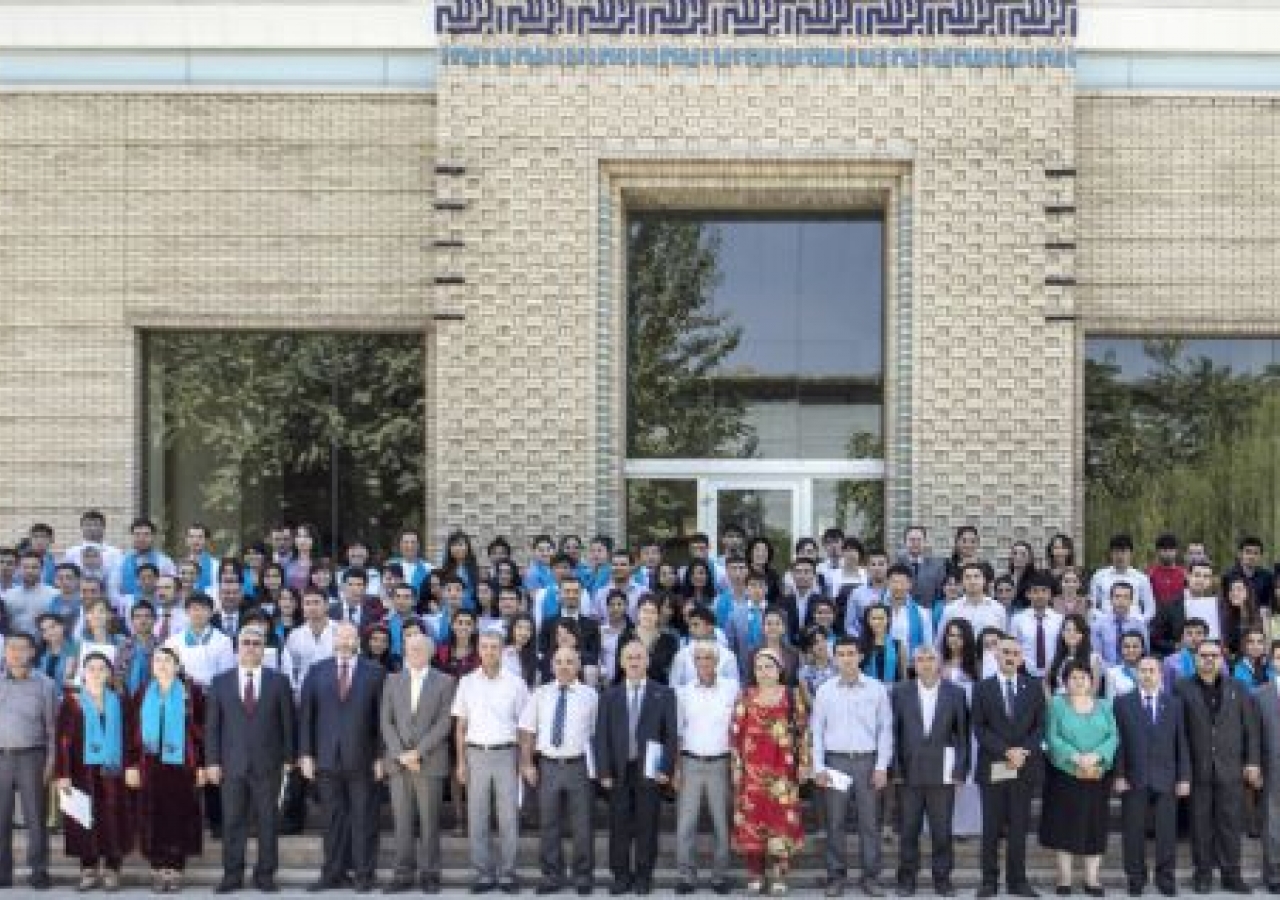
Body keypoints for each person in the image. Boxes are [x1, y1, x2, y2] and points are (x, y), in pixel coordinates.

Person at [205, 625, 297, 894]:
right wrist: (212, 761)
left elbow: (288, 724)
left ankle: (265, 875)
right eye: (245, 642)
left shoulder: (278, 681)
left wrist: (289, 758)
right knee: (233, 822)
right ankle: (232, 875)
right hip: (231, 765)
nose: (250, 647)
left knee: (268, 821)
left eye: (256, 643)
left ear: (264, 649)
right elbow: (213, 727)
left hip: (269, 764)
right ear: (237, 647)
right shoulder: (220, 681)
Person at [298, 622, 386, 893]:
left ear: (357, 640)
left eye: (350, 636)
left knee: (363, 819)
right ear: (333, 639)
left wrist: (381, 756)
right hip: (325, 759)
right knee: (332, 819)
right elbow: (306, 717)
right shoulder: (317, 671)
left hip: (363, 758)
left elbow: (382, 720)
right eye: (341, 636)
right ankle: (332, 872)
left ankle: (363, 874)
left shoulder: (375, 672)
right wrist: (305, 754)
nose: (345, 641)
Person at [1175, 637, 1261, 894]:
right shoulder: (1182, 688)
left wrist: (1253, 762)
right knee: (1201, 827)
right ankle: (1202, 875)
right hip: (1197, 769)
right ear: (1196, 659)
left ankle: (1231, 875)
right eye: (1204, 655)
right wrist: (1183, 770)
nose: (1209, 659)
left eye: (1214, 655)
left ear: (1221, 659)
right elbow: (1179, 733)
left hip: (1231, 769)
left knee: (1231, 825)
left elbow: (1251, 729)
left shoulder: (1239, 687)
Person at [594, 640, 678, 896]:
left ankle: (643, 876)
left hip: (649, 770)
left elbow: (671, 736)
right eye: (629, 657)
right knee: (618, 825)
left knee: (646, 825)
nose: (633, 662)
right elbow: (601, 736)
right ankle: (620, 876)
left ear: (647, 661)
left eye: (639, 657)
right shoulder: (609, 695)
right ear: (621, 662)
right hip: (618, 771)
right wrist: (604, 771)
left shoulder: (664, 694)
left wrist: (666, 768)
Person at [812, 636, 893, 898]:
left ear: (860, 657)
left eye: (851, 653)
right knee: (835, 822)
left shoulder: (876, 689)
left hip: (867, 761)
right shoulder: (825, 690)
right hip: (836, 762)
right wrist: (818, 766)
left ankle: (871, 877)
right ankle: (836, 876)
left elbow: (885, 731)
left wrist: (881, 766)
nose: (847, 658)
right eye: (842, 653)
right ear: (835, 658)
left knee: (869, 822)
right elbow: (817, 732)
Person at [452, 628, 530, 894]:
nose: (488, 652)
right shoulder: (466, 682)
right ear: (478, 650)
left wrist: (524, 760)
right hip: (475, 754)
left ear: (502, 650)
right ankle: (484, 873)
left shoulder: (516, 683)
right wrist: (461, 762)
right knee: (478, 816)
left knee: (508, 817)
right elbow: (460, 726)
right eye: (484, 646)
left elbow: (525, 727)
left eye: (494, 647)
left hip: (507, 753)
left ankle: (508, 873)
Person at [518, 646, 599, 896]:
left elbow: (597, 735)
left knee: (582, 824)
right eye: (559, 662)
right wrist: (527, 763)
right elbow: (527, 731)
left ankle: (583, 875)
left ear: (577, 666)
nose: (564, 666)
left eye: (569, 662)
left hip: (578, 767)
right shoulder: (540, 694)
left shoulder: (591, 695)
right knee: (549, 824)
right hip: (548, 766)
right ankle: (552, 875)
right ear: (552, 666)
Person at [729, 647, 810, 896]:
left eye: (769, 666)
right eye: (759, 667)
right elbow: (734, 733)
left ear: (780, 669)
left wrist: (805, 763)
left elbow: (803, 733)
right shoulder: (745, 696)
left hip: (782, 771)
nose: (764, 672)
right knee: (753, 822)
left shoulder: (792, 696)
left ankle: (778, 876)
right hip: (752, 771)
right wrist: (736, 767)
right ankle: (755, 874)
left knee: (780, 823)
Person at [124, 646, 206, 892]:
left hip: (183, 764)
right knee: (153, 816)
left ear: (177, 666)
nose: (161, 665)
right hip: (149, 764)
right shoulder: (141, 693)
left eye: (167, 660)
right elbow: (131, 732)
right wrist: (130, 764)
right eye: (157, 660)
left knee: (179, 816)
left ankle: (176, 868)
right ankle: (158, 868)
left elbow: (203, 732)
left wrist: (202, 764)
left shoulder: (192, 693)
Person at [380, 634, 456, 894]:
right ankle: (402, 874)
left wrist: (418, 753)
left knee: (429, 822)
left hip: (429, 762)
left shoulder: (445, 682)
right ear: (405, 651)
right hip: (398, 763)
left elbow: (445, 723)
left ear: (431, 653)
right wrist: (401, 753)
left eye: (420, 649)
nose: (415, 652)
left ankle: (430, 874)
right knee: (401, 822)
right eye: (411, 648)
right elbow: (386, 722)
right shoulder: (391, 681)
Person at [891, 645, 968, 897]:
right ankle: (906, 879)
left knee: (942, 830)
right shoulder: (900, 692)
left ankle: (942, 880)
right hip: (909, 771)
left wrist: (959, 769)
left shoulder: (955, 693)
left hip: (942, 772)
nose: (925, 663)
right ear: (914, 664)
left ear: (939, 663)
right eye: (920, 659)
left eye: (930, 658)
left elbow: (963, 736)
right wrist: (896, 769)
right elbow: (894, 733)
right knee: (908, 829)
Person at [971, 636, 1045, 898]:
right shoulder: (982, 688)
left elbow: (1040, 727)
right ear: (996, 656)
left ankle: (1018, 881)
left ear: (1021, 658)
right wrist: (1006, 751)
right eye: (1005, 653)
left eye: (1015, 652)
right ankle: (989, 881)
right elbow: (979, 728)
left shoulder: (1034, 687)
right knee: (991, 827)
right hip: (993, 766)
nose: (1010, 657)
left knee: (1018, 827)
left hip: (1023, 766)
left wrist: (1023, 751)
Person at [1113, 655, 1190, 898]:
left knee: (1167, 831)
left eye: (1152, 670)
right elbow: (1119, 742)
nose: (1147, 674)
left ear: (1160, 674)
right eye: (1142, 670)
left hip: (1167, 777)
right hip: (1134, 777)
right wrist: (1119, 774)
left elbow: (1182, 743)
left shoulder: (1174, 704)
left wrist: (1184, 777)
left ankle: (1165, 877)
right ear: (1136, 674)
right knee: (1133, 830)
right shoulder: (1122, 703)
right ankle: (1135, 878)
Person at [54, 652, 132, 891]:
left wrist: (131, 766)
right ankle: (88, 867)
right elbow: (63, 740)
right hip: (80, 770)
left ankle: (112, 867)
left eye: (101, 668)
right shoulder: (72, 700)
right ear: (83, 673)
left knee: (113, 817)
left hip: (113, 770)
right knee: (82, 818)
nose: (96, 673)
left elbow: (129, 736)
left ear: (109, 673)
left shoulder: (119, 699)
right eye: (91, 668)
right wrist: (63, 772)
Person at [1040, 661, 1118, 896]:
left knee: (1094, 827)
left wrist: (1096, 757)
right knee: (1065, 827)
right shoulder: (1056, 704)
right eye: (1073, 677)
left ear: (1091, 681)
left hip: (1096, 775)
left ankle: (1092, 879)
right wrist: (1075, 757)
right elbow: (1051, 737)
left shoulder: (1104, 705)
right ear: (1065, 681)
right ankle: (1064, 879)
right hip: (1065, 775)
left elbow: (1113, 736)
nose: (1079, 681)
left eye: (1083, 677)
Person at [673, 641, 738, 896]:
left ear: (717, 661)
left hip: (720, 763)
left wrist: (736, 765)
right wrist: (677, 769)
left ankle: (720, 876)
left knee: (722, 823)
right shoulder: (683, 692)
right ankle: (686, 877)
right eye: (699, 658)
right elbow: (677, 734)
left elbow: (737, 729)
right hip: (690, 762)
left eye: (709, 658)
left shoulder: (732, 690)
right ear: (693, 662)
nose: (704, 663)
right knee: (685, 823)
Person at [1256, 639, 1280, 892]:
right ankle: (1274, 874)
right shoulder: (1261, 695)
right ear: (1272, 661)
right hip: (1273, 765)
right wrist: (1254, 765)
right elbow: (1253, 734)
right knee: (1273, 821)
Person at [1009, 572, 1062, 678]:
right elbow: (1013, 648)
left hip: (1054, 674)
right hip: (1024, 674)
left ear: (1050, 595)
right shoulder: (1018, 619)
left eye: (1044, 591)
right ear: (1028, 595)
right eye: (1035, 591)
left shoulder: (1060, 619)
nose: (1040, 595)